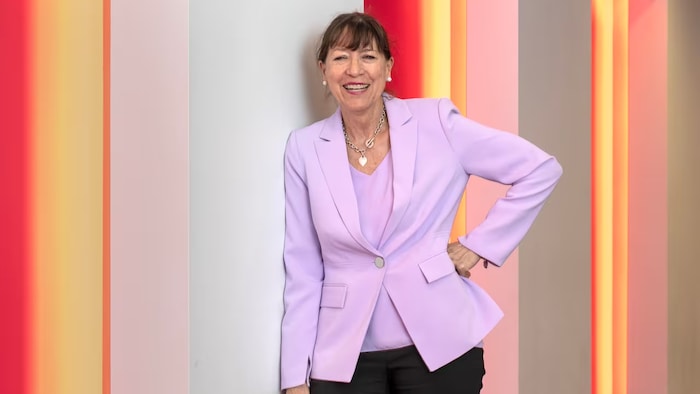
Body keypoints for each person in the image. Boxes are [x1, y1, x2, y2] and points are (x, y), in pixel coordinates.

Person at [281, 12, 562, 394]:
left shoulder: (436, 122)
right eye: (340, 57)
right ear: (323, 70)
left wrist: (476, 245)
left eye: (367, 56)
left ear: (388, 67)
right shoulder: (304, 148)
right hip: (345, 354)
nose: (354, 70)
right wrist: (295, 375)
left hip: (439, 347)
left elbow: (540, 169)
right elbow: (303, 267)